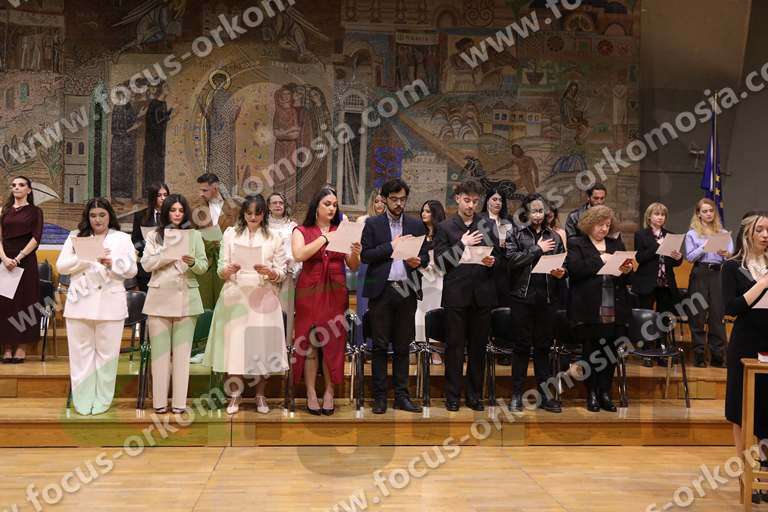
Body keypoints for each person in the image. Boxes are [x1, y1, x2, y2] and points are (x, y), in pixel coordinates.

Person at [204, 194, 288, 415]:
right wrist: (229, 269)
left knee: (261, 346)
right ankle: (235, 395)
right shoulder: (231, 234)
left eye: (257, 213)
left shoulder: (274, 237)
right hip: (235, 295)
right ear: (243, 213)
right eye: (249, 213)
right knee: (234, 346)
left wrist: (270, 272)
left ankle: (260, 394)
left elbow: (282, 271)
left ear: (264, 214)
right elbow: (221, 268)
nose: (253, 217)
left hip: (263, 295)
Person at [56, 198, 137, 415]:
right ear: (87, 217)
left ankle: (102, 399)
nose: (97, 220)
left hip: (110, 304)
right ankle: (82, 400)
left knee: (107, 357)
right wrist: (87, 258)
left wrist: (113, 263)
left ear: (109, 216)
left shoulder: (122, 238)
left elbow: (132, 270)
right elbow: (61, 266)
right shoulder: (76, 236)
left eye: (102, 215)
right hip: (79, 304)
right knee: (80, 356)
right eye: (93, 216)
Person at [291, 187, 361, 415]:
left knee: (333, 343)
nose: (332, 208)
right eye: (327, 204)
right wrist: (323, 238)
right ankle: (311, 393)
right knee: (311, 342)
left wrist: (355, 252)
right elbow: (299, 255)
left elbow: (353, 266)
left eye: (335, 205)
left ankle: (329, 392)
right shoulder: (301, 230)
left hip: (335, 290)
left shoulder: (342, 230)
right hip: (309, 290)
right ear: (317, 206)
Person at [360, 178, 428, 414]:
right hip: (382, 290)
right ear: (385, 199)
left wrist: (419, 261)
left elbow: (426, 255)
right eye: (394, 199)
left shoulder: (416, 225)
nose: (399, 203)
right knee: (379, 346)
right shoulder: (373, 224)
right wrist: (392, 246)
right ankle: (379, 397)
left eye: (403, 199)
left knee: (402, 346)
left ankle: (402, 396)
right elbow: (366, 255)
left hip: (406, 289)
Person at [434, 180, 500, 411]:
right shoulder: (445, 227)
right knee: (454, 347)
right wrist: (462, 244)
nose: (471, 205)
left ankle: (474, 395)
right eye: (466, 200)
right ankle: (452, 396)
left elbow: (498, 255)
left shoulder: (487, 224)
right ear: (457, 199)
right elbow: (441, 263)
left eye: (474, 201)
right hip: (456, 295)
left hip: (482, 294)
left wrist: (492, 261)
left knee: (478, 348)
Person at [141, 194, 208, 414]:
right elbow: (146, 264)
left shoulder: (194, 235)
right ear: (165, 212)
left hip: (186, 299)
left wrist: (193, 262)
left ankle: (179, 403)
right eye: (173, 210)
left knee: (182, 356)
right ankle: (159, 402)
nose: (177, 214)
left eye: (180, 210)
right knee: (160, 355)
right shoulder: (154, 235)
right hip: (159, 298)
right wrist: (168, 254)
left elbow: (203, 267)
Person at [565, 205, 633, 412]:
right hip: (589, 307)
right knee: (591, 352)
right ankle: (592, 393)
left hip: (614, 304)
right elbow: (574, 270)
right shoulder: (577, 243)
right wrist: (600, 259)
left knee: (610, 353)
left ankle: (605, 393)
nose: (604, 229)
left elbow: (627, 277)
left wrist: (627, 270)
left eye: (607, 225)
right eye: (600, 225)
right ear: (589, 224)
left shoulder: (615, 243)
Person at [722, 211, 768, 504]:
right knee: (742, 411)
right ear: (748, 233)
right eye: (760, 229)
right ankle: (747, 476)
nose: (766, 235)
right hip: (746, 343)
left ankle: (765, 474)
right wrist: (762, 284)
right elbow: (732, 307)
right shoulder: (732, 267)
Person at [506, 194, 566, 413]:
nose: (538, 215)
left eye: (541, 211)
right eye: (534, 211)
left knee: (543, 348)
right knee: (521, 347)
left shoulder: (555, 236)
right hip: (522, 298)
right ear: (526, 212)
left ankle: (545, 397)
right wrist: (537, 249)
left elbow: (563, 261)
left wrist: (562, 272)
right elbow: (512, 261)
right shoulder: (515, 233)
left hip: (547, 298)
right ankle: (516, 395)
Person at [632, 202, 683, 366]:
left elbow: (674, 263)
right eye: (657, 214)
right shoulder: (641, 234)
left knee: (664, 318)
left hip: (665, 282)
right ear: (649, 217)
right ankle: (647, 352)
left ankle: (662, 352)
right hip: (647, 281)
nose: (660, 217)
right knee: (647, 318)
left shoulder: (670, 235)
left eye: (662, 215)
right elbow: (640, 258)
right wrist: (657, 246)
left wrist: (678, 258)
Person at [685, 198, 733, 367]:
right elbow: (690, 257)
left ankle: (718, 356)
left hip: (717, 274)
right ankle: (699, 355)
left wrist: (725, 253)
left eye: (711, 211)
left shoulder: (722, 232)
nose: (708, 214)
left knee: (716, 316)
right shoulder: (692, 234)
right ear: (698, 214)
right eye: (704, 211)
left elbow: (731, 255)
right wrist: (704, 246)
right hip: (700, 272)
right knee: (698, 316)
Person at [0, 176, 43, 364]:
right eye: (14, 185)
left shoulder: (35, 211)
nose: (17, 187)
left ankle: (22, 347)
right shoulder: (4, 211)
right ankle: (7, 347)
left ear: (29, 190)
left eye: (21, 185)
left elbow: (36, 237)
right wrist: (4, 258)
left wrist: (18, 258)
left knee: (25, 302)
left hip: (25, 260)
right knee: (5, 304)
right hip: (4, 260)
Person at [190, 173, 238, 309]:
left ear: (216, 188)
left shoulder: (234, 207)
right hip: (205, 260)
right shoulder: (196, 207)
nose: (201, 194)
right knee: (204, 305)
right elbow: (191, 233)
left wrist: (223, 242)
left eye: (204, 190)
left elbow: (240, 233)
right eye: (200, 190)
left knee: (225, 304)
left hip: (226, 261)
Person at [415, 200, 446, 365]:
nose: (423, 214)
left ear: (435, 213)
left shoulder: (443, 233)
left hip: (438, 278)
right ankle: (421, 349)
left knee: (436, 311)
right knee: (419, 313)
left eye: (427, 211)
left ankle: (436, 351)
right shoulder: (418, 233)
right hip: (421, 277)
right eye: (423, 210)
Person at [354, 190, 386, 348]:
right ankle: (364, 345)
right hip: (367, 267)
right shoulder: (363, 220)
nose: (379, 205)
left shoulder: (390, 221)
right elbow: (355, 245)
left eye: (382, 201)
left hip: (385, 266)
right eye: (376, 201)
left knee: (383, 306)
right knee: (364, 306)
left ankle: (382, 345)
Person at [267, 192, 299, 343]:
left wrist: (292, 263)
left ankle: (286, 347)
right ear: (268, 206)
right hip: (268, 274)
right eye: (274, 203)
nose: (278, 205)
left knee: (285, 311)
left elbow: (296, 248)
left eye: (281, 203)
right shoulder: (263, 225)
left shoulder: (292, 226)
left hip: (287, 273)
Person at [131, 183, 169, 292]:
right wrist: (149, 246)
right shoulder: (141, 215)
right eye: (159, 195)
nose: (163, 198)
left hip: (167, 266)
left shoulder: (173, 215)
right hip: (147, 267)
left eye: (165, 195)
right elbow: (135, 241)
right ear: (152, 197)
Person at [481, 187, 513, 307]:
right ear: (487, 201)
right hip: (485, 268)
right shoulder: (479, 219)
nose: (498, 203)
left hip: (504, 269)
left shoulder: (508, 220)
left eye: (500, 200)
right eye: (494, 199)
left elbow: (515, 243)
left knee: (503, 307)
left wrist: (507, 244)